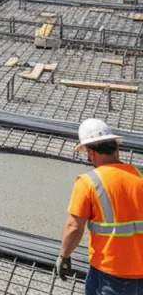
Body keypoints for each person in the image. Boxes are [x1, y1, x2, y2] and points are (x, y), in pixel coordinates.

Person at [56, 118, 143, 293]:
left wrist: (64, 256)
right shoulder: (139, 176)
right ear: (116, 148)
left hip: (110, 273)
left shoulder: (88, 182)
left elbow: (74, 227)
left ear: (90, 152)